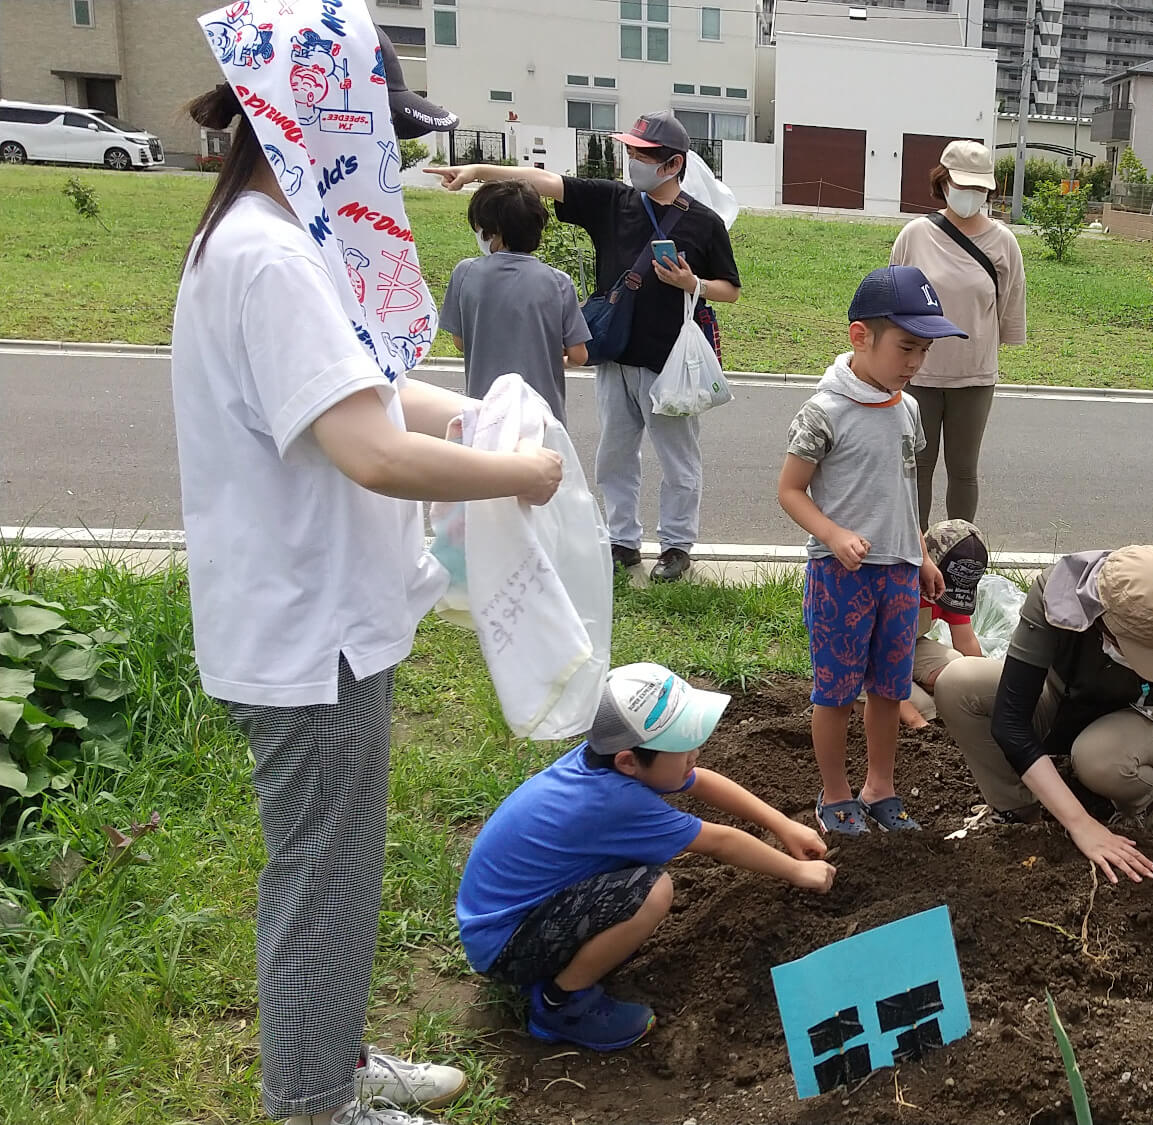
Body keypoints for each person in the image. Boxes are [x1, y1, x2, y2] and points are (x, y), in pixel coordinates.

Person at [172, 74, 562, 1125]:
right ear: (316, 130)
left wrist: (478, 417)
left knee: (338, 865)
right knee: (320, 875)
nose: (385, 159)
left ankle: (330, 1057)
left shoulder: (271, 239)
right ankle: (312, 1101)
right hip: (309, 630)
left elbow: (373, 393)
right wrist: (518, 476)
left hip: (321, 617)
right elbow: (372, 452)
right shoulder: (271, 260)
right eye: (380, 135)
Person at [429, 111, 743, 584]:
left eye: (644, 155)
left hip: (669, 360)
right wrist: (478, 173)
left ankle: (677, 545)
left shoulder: (703, 222)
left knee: (678, 460)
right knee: (614, 456)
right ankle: (623, 541)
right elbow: (542, 179)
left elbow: (730, 289)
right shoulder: (614, 202)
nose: (633, 161)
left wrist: (690, 282)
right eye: (631, 152)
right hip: (613, 353)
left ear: (673, 164)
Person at [456, 663, 835, 1051]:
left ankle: (567, 965)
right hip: (505, 945)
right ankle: (560, 1004)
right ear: (628, 761)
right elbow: (720, 842)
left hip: (506, 920)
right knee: (652, 891)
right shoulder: (616, 803)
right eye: (681, 745)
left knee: (635, 879)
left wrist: (782, 826)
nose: (695, 751)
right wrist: (796, 871)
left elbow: (699, 779)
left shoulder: (605, 764)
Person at [931, 546, 1153, 894]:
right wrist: (1082, 826)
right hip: (1066, 700)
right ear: (1102, 623)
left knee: (1099, 758)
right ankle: (1015, 812)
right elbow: (1010, 721)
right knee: (958, 683)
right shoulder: (1057, 595)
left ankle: (1138, 808)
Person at [779, 266, 954, 835]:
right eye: (906, 347)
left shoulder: (907, 410)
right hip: (841, 575)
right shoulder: (824, 412)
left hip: (899, 574)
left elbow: (906, 493)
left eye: (922, 351)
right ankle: (835, 796)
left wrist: (922, 554)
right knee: (833, 691)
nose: (914, 364)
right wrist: (831, 535)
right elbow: (789, 490)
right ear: (860, 336)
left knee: (889, 688)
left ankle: (880, 787)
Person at [889, 140, 1028, 524]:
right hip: (918, 372)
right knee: (918, 465)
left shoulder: (1004, 242)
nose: (970, 195)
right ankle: (913, 557)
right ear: (944, 182)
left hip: (975, 375)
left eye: (978, 188)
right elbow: (894, 300)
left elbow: (1009, 307)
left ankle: (958, 558)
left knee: (964, 470)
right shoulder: (914, 235)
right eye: (963, 185)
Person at [438, 180, 591, 423]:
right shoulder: (558, 282)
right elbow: (579, 355)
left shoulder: (465, 273)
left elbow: (460, 342)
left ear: (491, 229)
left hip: (486, 412)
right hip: (542, 415)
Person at [901, 519, 991, 729]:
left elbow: (967, 642)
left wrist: (985, 696)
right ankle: (853, 700)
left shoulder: (951, 588)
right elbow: (877, 665)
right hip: (865, 659)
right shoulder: (901, 590)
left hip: (909, 646)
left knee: (958, 672)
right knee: (923, 709)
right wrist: (917, 722)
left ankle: (913, 683)